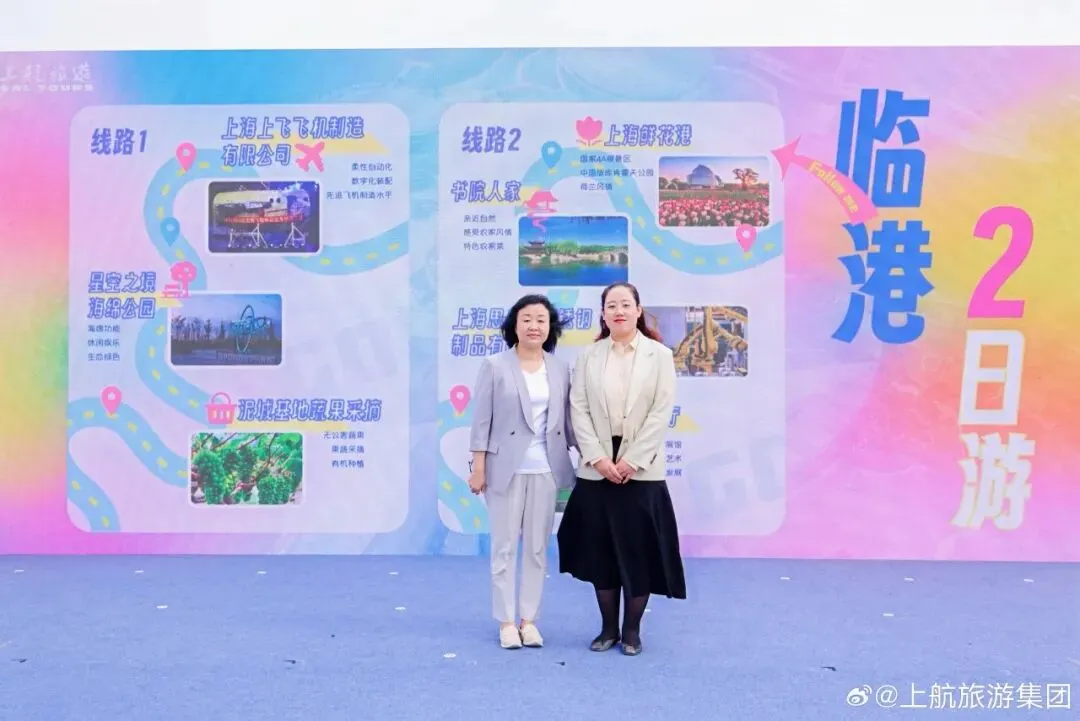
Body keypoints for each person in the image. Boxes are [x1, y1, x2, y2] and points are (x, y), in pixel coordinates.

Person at [557, 282, 686, 656]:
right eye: (611, 305)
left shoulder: (659, 355)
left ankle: (632, 631)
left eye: (626, 304)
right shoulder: (589, 356)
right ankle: (607, 629)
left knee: (638, 550)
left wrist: (632, 460)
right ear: (602, 313)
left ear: (638, 310)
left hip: (641, 469)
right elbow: (578, 409)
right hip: (597, 467)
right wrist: (597, 458)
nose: (619, 311)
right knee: (600, 552)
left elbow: (661, 412)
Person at [468, 294, 577, 650]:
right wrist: (478, 467)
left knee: (536, 549)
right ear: (514, 325)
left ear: (550, 327)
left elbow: (568, 422)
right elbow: (481, 422)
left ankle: (529, 621)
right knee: (503, 548)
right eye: (527, 319)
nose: (534, 326)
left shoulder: (559, 368)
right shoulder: (495, 365)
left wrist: (593, 455)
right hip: (504, 470)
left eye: (541, 320)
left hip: (547, 469)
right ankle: (505, 622)